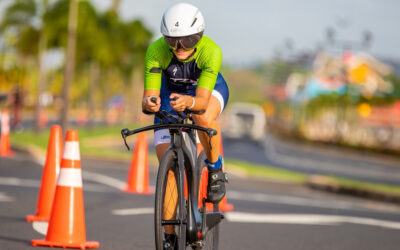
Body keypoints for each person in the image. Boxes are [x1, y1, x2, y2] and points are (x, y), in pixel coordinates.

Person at [141, 2, 229, 240]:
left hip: (205, 92)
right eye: (172, 40)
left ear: (198, 36)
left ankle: (214, 169)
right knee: (167, 168)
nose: (179, 47)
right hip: (170, 94)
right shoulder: (156, 50)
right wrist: (150, 103)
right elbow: (148, 97)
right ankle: (169, 237)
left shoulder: (211, 51)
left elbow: (200, 101)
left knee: (203, 116)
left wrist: (189, 103)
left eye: (187, 41)